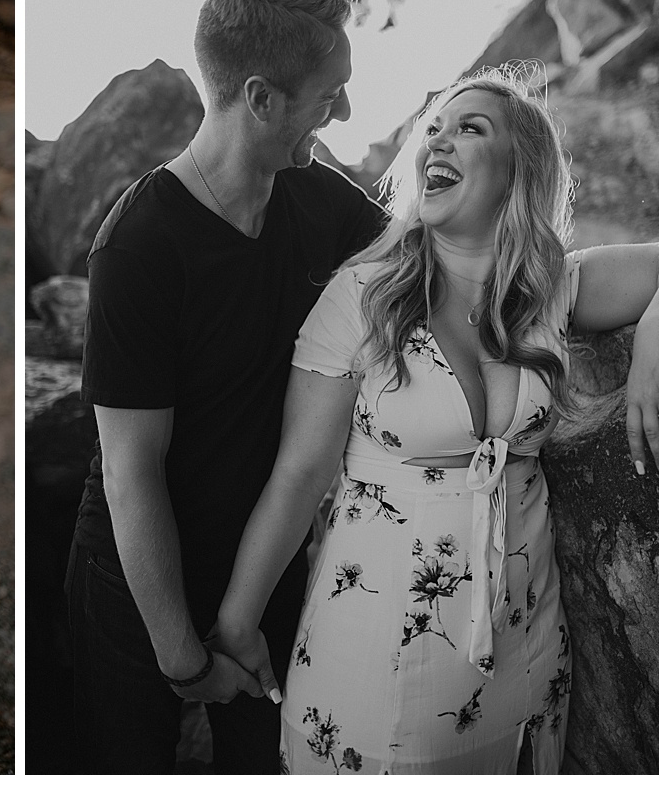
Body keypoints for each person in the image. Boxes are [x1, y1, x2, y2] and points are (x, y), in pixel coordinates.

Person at [213, 63, 658, 774]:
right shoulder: (362, 297)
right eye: (433, 131)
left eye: (469, 129)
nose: (436, 145)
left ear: (518, 170)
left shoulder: (551, 290)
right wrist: (236, 622)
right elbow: (298, 477)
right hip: (376, 645)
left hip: (526, 640)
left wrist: (655, 344)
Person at [68, 0, 388, 773]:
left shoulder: (322, 200)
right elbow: (129, 475)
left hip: (267, 567)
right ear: (260, 98)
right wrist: (182, 659)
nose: (344, 111)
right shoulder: (138, 247)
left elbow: (447, 258)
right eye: (330, 92)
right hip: (139, 588)